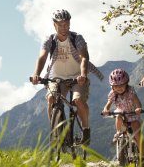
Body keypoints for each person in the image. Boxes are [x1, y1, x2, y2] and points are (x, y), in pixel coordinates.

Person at [31, 9, 103, 145]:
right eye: (60, 25)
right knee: (51, 98)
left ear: (70, 24)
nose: (64, 28)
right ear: (54, 25)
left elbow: (84, 58)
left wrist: (83, 74)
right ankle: (55, 130)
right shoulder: (49, 40)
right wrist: (36, 74)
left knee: (78, 100)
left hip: (77, 77)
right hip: (56, 77)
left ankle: (86, 129)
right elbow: (42, 57)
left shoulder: (77, 38)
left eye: (66, 24)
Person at [102, 69, 144, 159]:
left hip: (132, 113)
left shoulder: (130, 91)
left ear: (126, 84)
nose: (119, 88)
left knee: (137, 132)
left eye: (121, 85)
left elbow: (137, 101)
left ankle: (143, 156)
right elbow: (108, 104)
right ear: (112, 86)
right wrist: (105, 109)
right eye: (116, 86)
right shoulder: (113, 94)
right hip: (121, 113)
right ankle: (118, 132)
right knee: (119, 114)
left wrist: (138, 108)